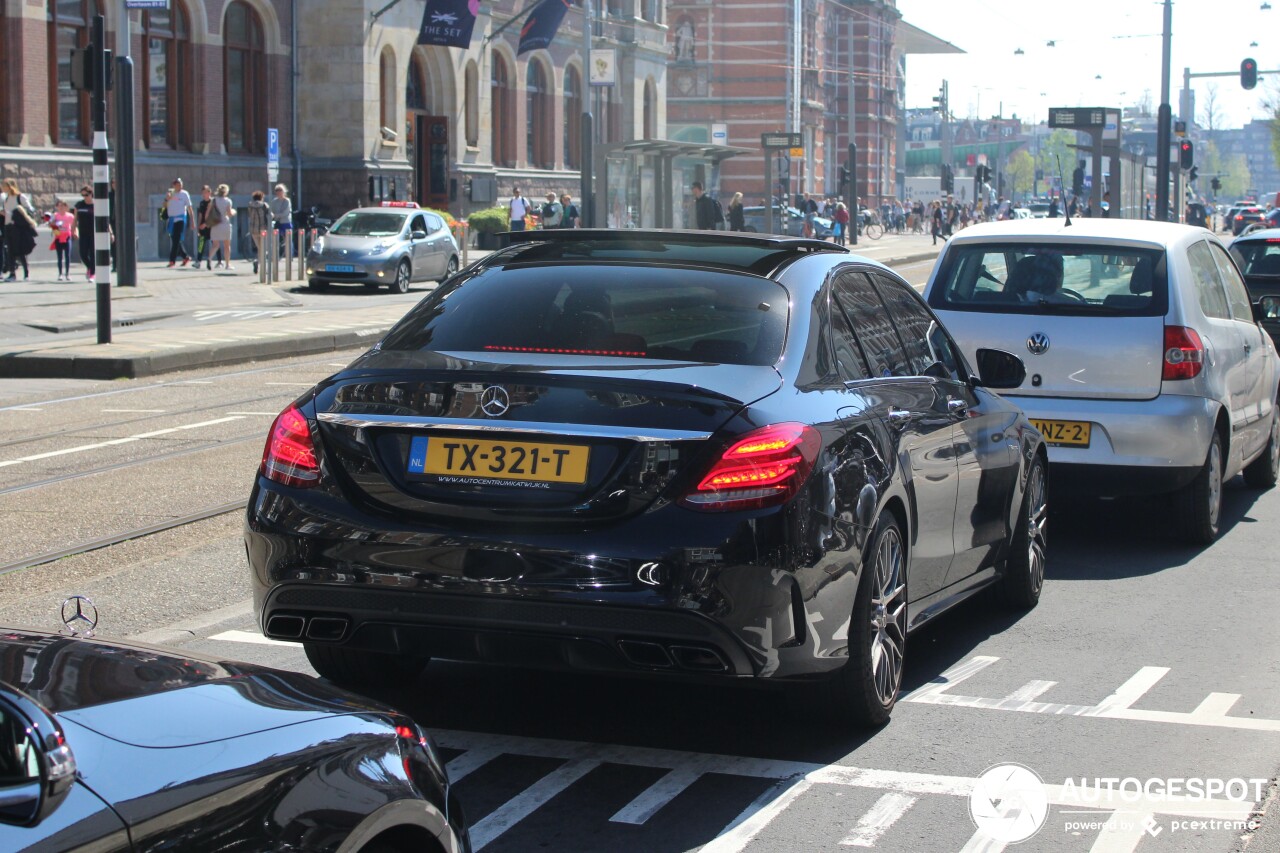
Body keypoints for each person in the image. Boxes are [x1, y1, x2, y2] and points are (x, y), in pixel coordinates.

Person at [2, 178, 37, 281]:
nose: (2, 187)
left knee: (20, 250)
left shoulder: (20, 197)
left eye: (4, 185)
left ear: (10, 186)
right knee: (10, 250)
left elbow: (30, 209)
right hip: (8, 226)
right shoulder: (7, 198)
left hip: (18, 227)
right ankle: (12, 273)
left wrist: (19, 213)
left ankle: (26, 273)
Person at [73, 185, 110, 282]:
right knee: (83, 253)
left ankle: (92, 273)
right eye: (83, 195)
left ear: (91, 194)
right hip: (83, 232)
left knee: (93, 254)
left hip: (94, 233)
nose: (85, 197)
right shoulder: (79, 205)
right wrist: (73, 230)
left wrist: (110, 232)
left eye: (86, 194)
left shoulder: (96, 205)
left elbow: (105, 219)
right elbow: (75, 220)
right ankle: (90, 267)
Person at [166, 178, 195, 267]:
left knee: (176, 240)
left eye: (181, 184)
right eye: (178, 184)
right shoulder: (171, 193)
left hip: (180, 219)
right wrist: (167, 199)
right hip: (171, 219)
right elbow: (164, 206)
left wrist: (192, 221)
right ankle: (185, 256)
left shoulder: (184, 194)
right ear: (174, 185)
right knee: (175, 240)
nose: (180, 186)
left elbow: (189, 207)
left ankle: (172, 261)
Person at [209, 184, 236, 271]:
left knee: (215, 245)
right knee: (227, 245)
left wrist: (207, 222)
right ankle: (227, 264)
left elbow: (208, 212)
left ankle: (209, 259)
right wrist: (234, 211)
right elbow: (229, 214)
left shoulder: (213, 200)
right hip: (224, 224)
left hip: (215, 224)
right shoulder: (228, 201)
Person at [49, 199, 75, 281]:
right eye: (59, 206)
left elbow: (74, 225)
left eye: (63, 206)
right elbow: (50, 224)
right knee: (59, 257)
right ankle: (60, 274)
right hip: (59, 237)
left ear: (66, 207)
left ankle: (67, 273)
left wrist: (75, 233)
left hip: (67, 236)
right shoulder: (55, 215)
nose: (61, 208)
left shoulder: (70, 216)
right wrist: (55, 225)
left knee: (67, 256)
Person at [247, 190, 271, 273]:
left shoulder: (250, 205)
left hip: (253, 229)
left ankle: (258, 262)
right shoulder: (264, 205)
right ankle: (260, 265)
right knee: (263, 249)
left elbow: (249, 215)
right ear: (262, 197)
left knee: (260, 248)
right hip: (263, 229)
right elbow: (270, 215)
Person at [194, 185, 214, 270]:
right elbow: (200, 215)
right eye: (202, 192)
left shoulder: (213, 202)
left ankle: (220, 260)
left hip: (211, 225)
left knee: (215, 243)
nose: (203, 194)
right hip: (202, 227)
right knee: (201, 243)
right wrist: (198, 226)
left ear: (209, 193)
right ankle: (198, 261)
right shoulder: (202, 203)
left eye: (205, 192)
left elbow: (214, 216)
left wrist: (206, 224)